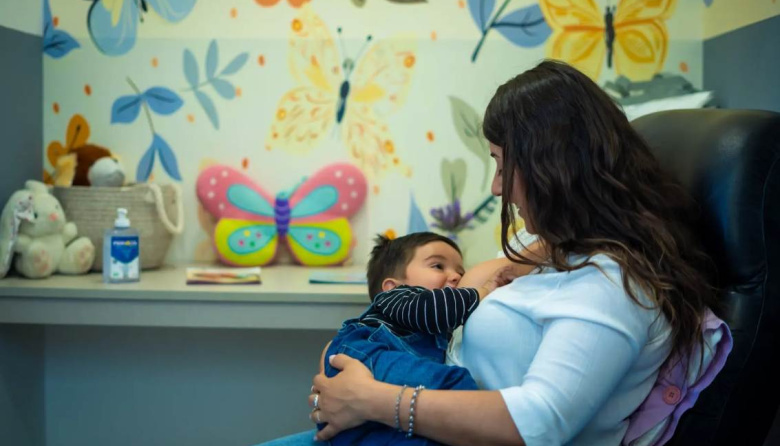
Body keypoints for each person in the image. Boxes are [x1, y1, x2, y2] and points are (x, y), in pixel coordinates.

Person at [262, 59, 719, 446]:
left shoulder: (612, 286)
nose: (497, 187)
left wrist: (374, 399)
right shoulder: (555, 244)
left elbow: (539, 422)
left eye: (502, 165)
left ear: (552, 166)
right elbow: (480, 275)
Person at [318, 231, 522, 445]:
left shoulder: (437, 327)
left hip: (366, 421)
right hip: (368, 355)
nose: (456, 276)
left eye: (460, 272)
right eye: (438, 266)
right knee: (454, 383)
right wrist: (483, 290)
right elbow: (436, 309)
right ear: (391, 286)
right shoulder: (397, 298)